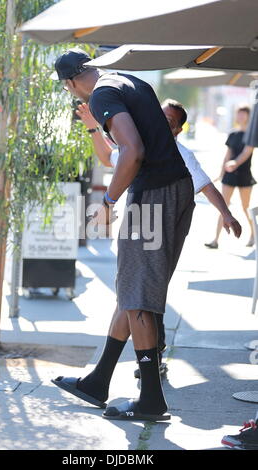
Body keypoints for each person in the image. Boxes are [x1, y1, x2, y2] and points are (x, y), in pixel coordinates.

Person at [51, 48, 195, 422]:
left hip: (152, 197)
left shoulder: (100, 95)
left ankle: (150, 400)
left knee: (138, 297)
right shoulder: (129, 80)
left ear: (69, 84)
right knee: (133, 290)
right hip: (177, 190)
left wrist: (108, 201)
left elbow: (132, 152)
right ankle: (97, 381)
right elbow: (136, 145)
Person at [76, 98, 242, 379]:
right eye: (159, 116)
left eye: (169, 122)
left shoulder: (179, 153)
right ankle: (115, 374)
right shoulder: (140, 145)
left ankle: (144, 365)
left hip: (157, 229)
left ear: (177, 130)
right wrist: (94, 129)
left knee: (141, 295)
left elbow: (204, 183)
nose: (160, 123)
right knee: (132, 296)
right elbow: (109, 157)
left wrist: (226, 214)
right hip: (140, 225)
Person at [205, 105, 255, 249]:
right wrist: (221, 173)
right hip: (230, 174)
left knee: (246, 207)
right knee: (223, 207)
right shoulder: (232, 134)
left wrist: (235, 163)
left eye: (243, 114)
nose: (240, 117)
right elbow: (227, 155)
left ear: (248, 116)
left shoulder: (251, 134)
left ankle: (253, 235)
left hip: (245, 175)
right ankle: (215, 240)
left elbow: (247, 152)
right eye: (238, 114)